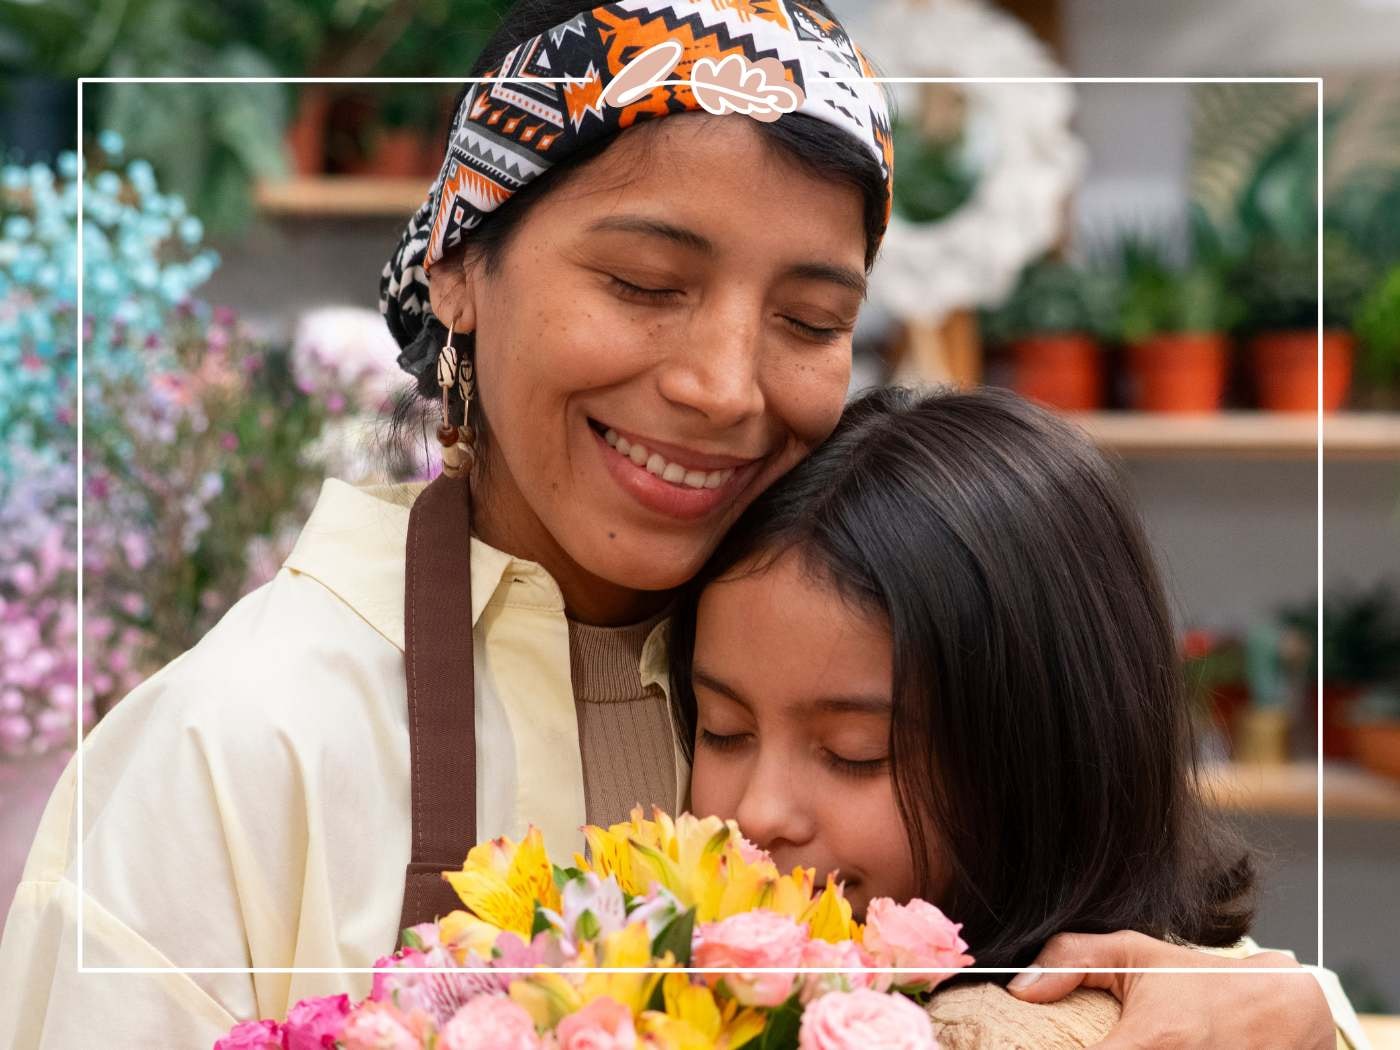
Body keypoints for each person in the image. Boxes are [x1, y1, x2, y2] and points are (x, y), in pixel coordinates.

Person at [0, 0, 1359, 1045]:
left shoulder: (851, 641)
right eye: (647, 282)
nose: (721, 383)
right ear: (464, 266)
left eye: (812, 320)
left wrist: (1306, 1017)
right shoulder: (230, 757)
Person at [669, 385, 1365, 1049]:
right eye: (724, 730)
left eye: (856, 752)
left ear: (1047, 753)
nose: (756, 815)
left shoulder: (1192, 1020)